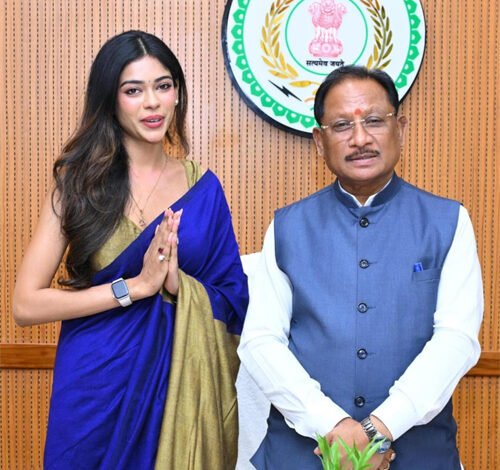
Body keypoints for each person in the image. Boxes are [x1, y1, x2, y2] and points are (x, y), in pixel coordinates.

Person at [13, 30, 248, 469]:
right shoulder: (78, 186)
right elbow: (25, 305)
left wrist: (177, 284)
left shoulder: (203, 189)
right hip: (95, 382)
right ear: (110, 100)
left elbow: (234, 299)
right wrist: (135, 287)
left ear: (178, 94)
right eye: (133, 90)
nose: (152, 103)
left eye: (163, 86)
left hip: (177, 387)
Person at [238, 65, 483, 470]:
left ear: (400, 128)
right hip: (302, 454)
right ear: (320, 142)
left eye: (373, 121)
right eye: (341, 126)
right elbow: (260, 341)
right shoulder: (286, 227)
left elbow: (456, 340)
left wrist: (377, 430)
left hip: (419, 455)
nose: (360, 139)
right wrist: (332, 426)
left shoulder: (449, 221)